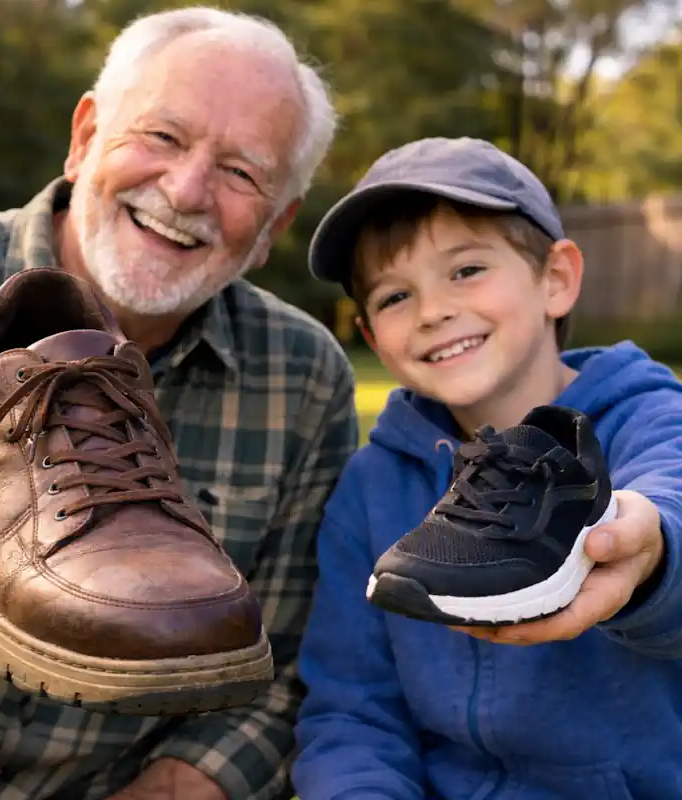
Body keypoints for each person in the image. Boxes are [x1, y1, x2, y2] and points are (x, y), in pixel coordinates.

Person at [0, 7, 357, 799]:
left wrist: (176, 786)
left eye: (242, 172)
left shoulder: (305, 375)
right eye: (163, 138)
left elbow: (278, 669)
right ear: (84, 135)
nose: (186, 190)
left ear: (276, 224)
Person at [292, 136, 682, 799]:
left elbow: (669, 500)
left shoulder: (648, 420)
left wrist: (650, 555)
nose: (433, 311)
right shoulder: (373, 486)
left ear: (555, 279)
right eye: (393, 297)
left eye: (466, 270)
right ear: (371, 338)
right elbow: (352, 709)